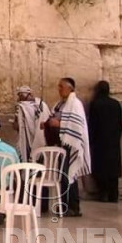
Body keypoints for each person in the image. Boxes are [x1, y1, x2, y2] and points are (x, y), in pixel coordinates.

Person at [41, 78, 91, 217]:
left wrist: (59, 124)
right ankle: (65, 206)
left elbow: (75, 125)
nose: (59, 89)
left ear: (70, 88)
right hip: (63, 144)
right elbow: (56, 118)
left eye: (61, 87)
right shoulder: (60, 105)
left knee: (69, 175)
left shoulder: (75, 104)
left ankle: (73, 207)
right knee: (64, 176)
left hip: (71, 144)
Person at [88, 81, 122, 203]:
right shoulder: (116, 104)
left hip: (99, 141)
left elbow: (92, 124)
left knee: (101, 168)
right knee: (113, 169)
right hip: (113, 141)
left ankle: (103, 194)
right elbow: (120, 124)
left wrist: (91, 140)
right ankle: (114, 195)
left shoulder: (95, 104)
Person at [13, 86, 49, 162]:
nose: (19, 98)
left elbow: (17, 126)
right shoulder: (43, 104)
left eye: (20, 95)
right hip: (39, 141)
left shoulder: (21, 107)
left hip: (31, 141)